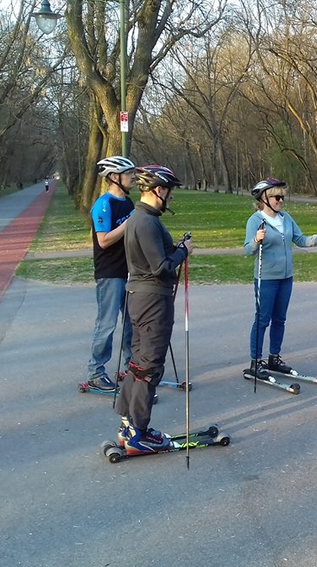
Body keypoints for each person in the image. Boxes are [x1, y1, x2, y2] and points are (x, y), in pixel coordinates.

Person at [115, 165, 193, 454]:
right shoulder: (146, 222)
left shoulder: (140, 218)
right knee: (149, 366)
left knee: (138, 362)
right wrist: (184, 251)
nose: (171, 197)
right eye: (169, 192)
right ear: (159, 190)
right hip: (151, 301)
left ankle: (129, 424)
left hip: (140, 297)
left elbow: (155, 256)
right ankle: (138, 431)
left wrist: (176, 247)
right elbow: (161, 267)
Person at [243, 178, 317, 378]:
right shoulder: (255, 220)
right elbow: (248, 250)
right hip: (266, 278)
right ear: (264, 198)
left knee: (280, 319)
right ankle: (256, 362)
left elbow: (301, 240)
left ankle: (274, 358)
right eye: (277, 197)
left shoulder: (286, 218)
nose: (281, 200)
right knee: (262, 319)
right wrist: (256, 240)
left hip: (286, 277)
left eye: (282, 197)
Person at [85, 156, 136, 392]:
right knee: (107, 323)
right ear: (115, 177)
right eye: (129, 173)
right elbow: (103, 240)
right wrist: (128, 225)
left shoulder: (128, 202)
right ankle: (96, 372)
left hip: (129, 270)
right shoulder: (104, 204)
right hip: (110, 272)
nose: (133, 177)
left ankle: (131, 366)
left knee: (131, 321)